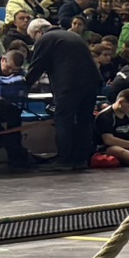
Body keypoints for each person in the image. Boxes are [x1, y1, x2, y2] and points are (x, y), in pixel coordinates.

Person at [19, 17, 100, 170]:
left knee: (63, 119)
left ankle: (64, 160)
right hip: (91, 82)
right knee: (84, 120)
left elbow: (37, 66)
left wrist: (23, 86)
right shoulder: (72, 35)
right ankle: (80, 159)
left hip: (70, 85)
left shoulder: (46, 39)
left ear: (38, 32)